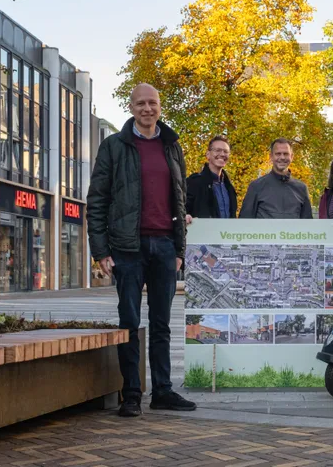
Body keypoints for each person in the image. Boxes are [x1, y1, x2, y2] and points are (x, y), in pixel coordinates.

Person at [86, 83, 197, 417]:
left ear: (160, 106)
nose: (147, 109)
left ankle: (162, 391)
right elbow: (97, 200)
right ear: (131, 107)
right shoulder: (114, 146)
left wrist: (179, 248)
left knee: (162, 323)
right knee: (130, 321)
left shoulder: (171, 145)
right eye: (141, 104)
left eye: (152, 103)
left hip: (164, 246)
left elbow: (180, 198)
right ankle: (131, 393)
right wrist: (100, 250)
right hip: (127, 248)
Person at [239, 138, 313, 219]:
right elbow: (244, 221)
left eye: (286, 154)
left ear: (292, 157)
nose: (282, 157)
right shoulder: (256, 186)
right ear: (271, 156)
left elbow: (308, 224)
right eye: (278, 154)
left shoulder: (301, 189)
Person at [186, 135, 237, 221]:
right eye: (218, 150)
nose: (222, 154)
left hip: (227, 230)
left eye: (226, 151)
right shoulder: (194, 182)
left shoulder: (230, 187)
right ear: (208, 154)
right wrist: (185, 216)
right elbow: (181, 209)